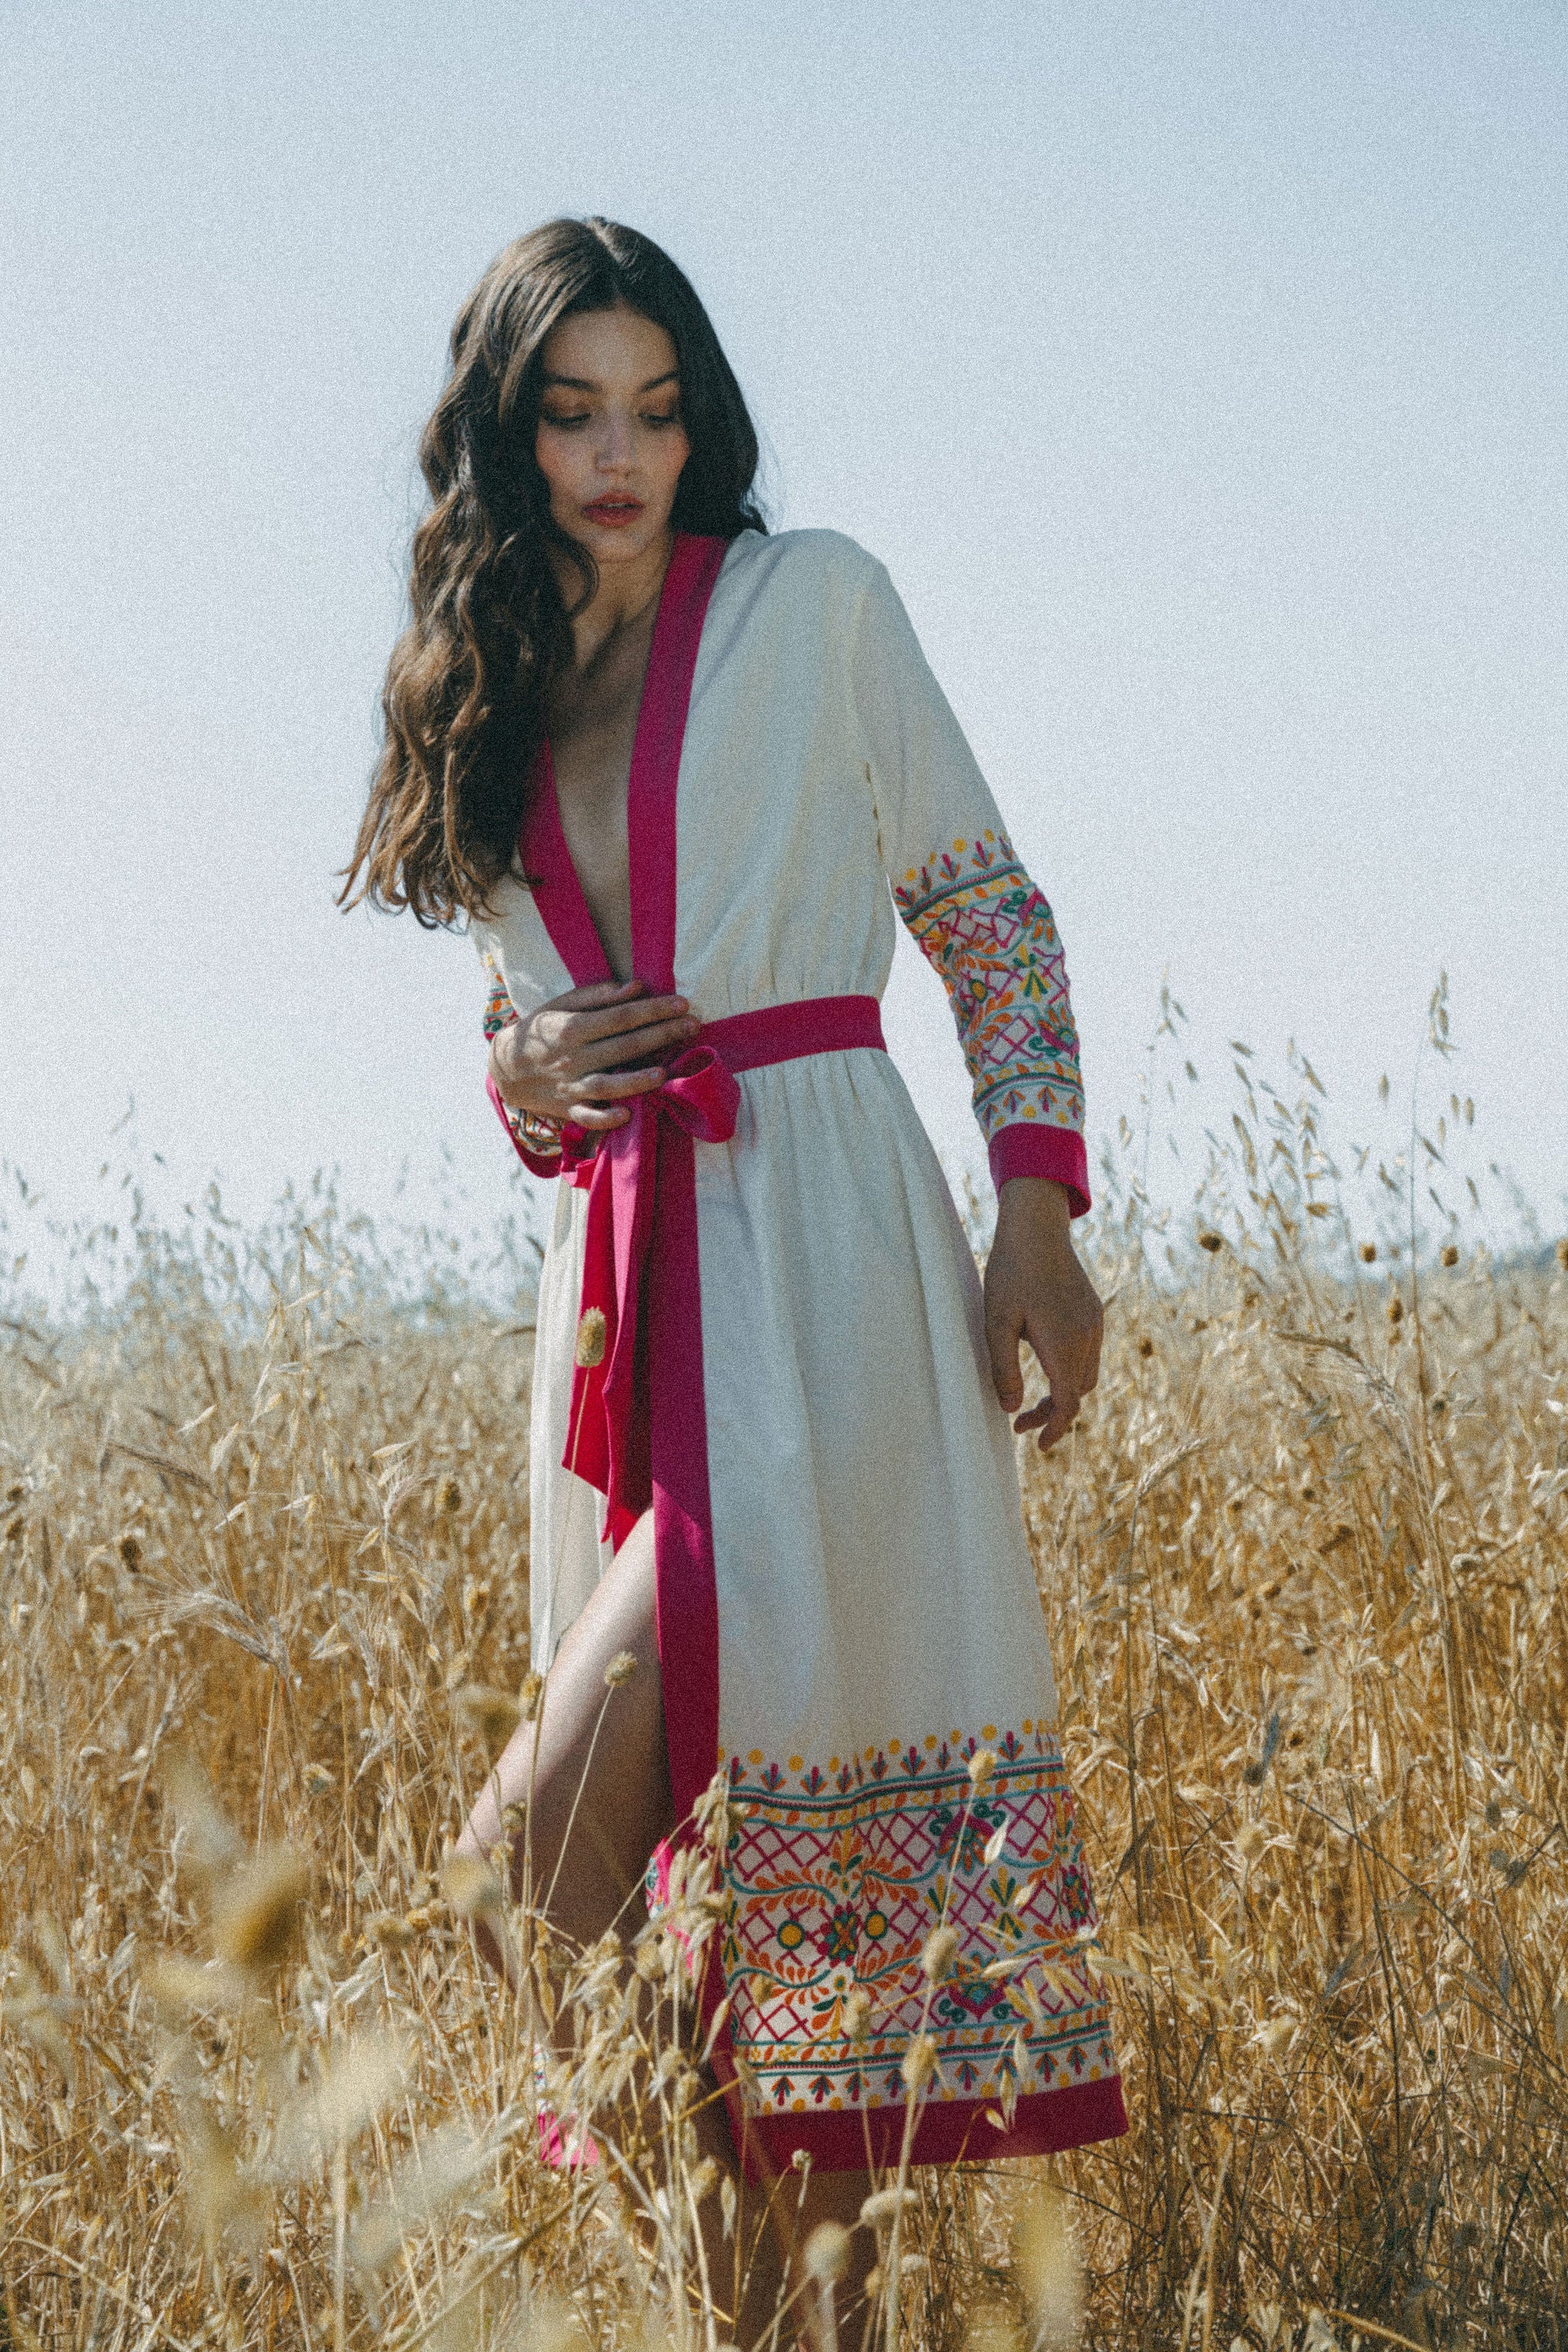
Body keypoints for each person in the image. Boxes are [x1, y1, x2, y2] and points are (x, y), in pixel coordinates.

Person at [343, 215, 1125, 2337]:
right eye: (575, 411)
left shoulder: (816, 605)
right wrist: (524, 1078)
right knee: (707, 1945)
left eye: (660, 407)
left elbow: (992, 918)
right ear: (507, 439)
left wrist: (1033, 1205)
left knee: (530, 1875)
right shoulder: (486, 706)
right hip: (622, 1303)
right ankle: (772, 2326)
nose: (624, 454)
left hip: (830, 1280)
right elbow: (529, 1058)